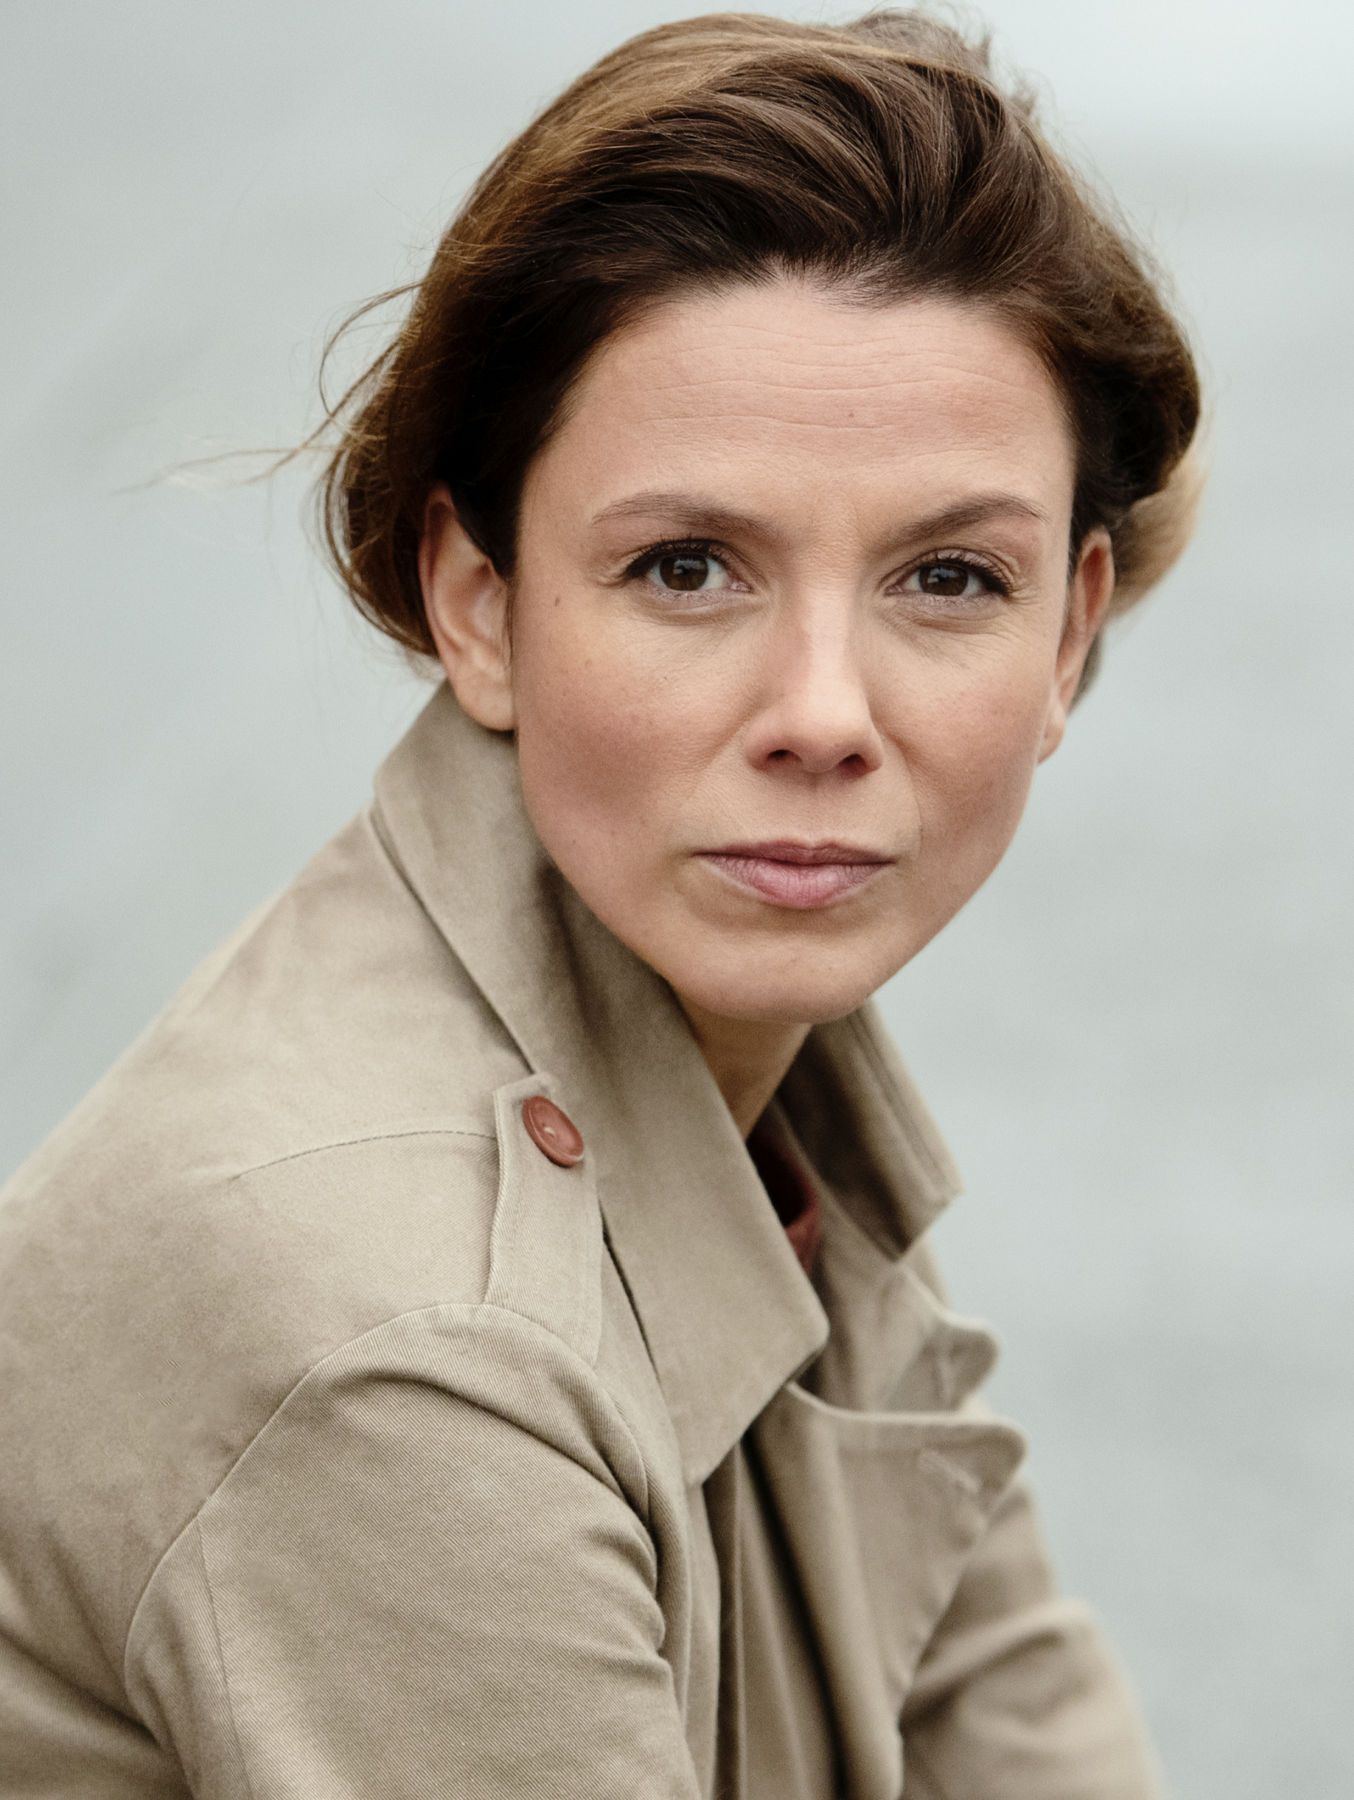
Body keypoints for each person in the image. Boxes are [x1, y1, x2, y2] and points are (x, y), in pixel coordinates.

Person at [0, 9, 1202, 1796]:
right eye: (686, 567)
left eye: (948, 577)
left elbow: (1002, 1702)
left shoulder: (726, 1022)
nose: (820, 714)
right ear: (478, 604)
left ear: (1069, 633)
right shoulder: (405, 1346)